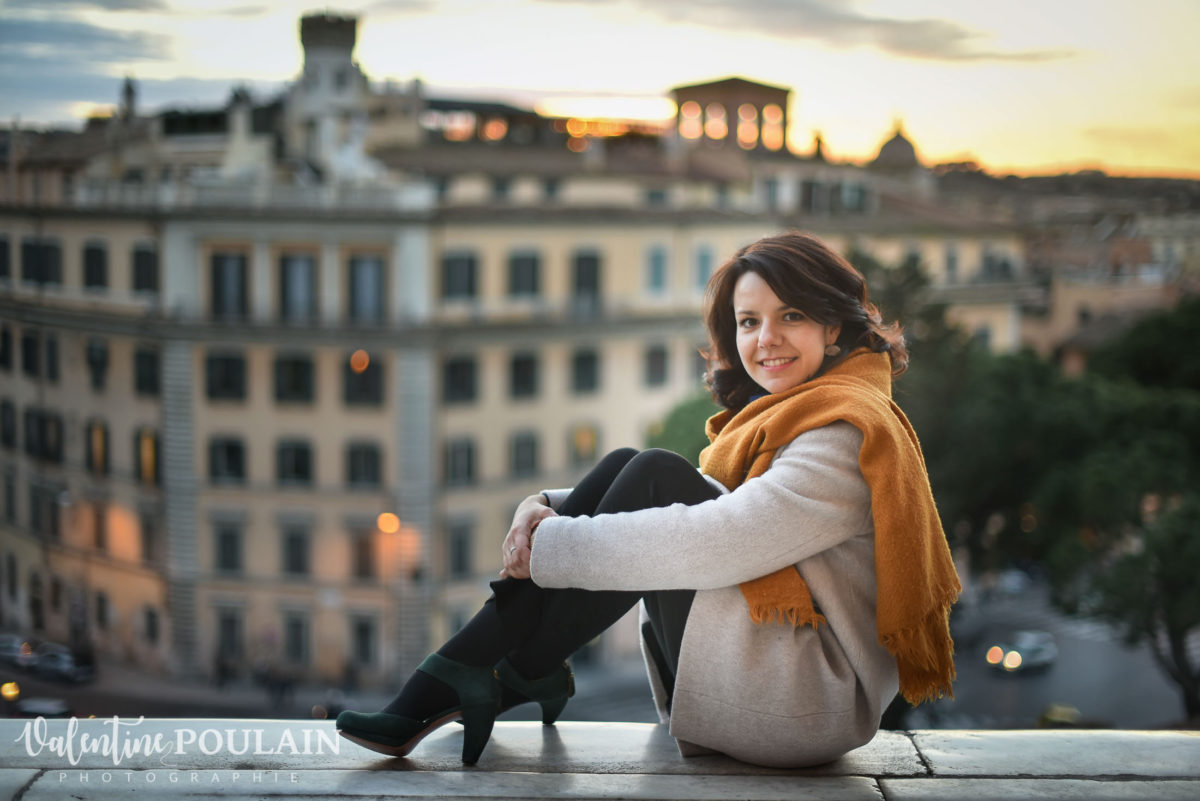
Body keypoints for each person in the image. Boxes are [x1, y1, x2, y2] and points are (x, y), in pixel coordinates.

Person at [336, 231, 960, 768]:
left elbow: (724, 538)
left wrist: (550, 543)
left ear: (832, 327)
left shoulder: (846, 434)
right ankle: (512, 669)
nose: (766, 338)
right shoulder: (803, 415)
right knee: (632, 468)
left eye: (791, 316)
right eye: (749, 321)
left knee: (655, 474)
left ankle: (467, 675)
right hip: (780, 674)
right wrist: (545, 507)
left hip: (804, 700)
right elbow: (706, 512)